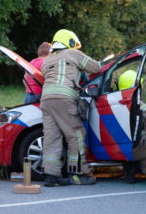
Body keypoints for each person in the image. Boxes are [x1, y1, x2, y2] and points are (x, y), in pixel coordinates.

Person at [40, 29, 101, 186]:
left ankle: (51, 175)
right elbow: (96, 68)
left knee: (51, 138)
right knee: (76, 135)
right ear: (70, 43)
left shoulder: (47, 60)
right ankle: (77, 173)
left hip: (46, 100)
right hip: (64, 98)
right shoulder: (73, 54)